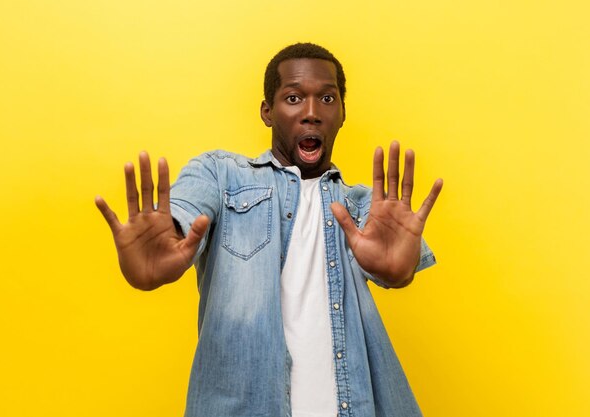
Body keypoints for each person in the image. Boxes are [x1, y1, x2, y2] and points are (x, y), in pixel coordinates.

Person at [95, 43, 442, 417]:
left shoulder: (364, 207)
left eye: (327, 98)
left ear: (342, 113)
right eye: (293, 98)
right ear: (267, 111)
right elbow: (182, 214)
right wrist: (166, 242)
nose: (311, 113)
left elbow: (395, 266)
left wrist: (398, 269)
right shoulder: (221, 175)